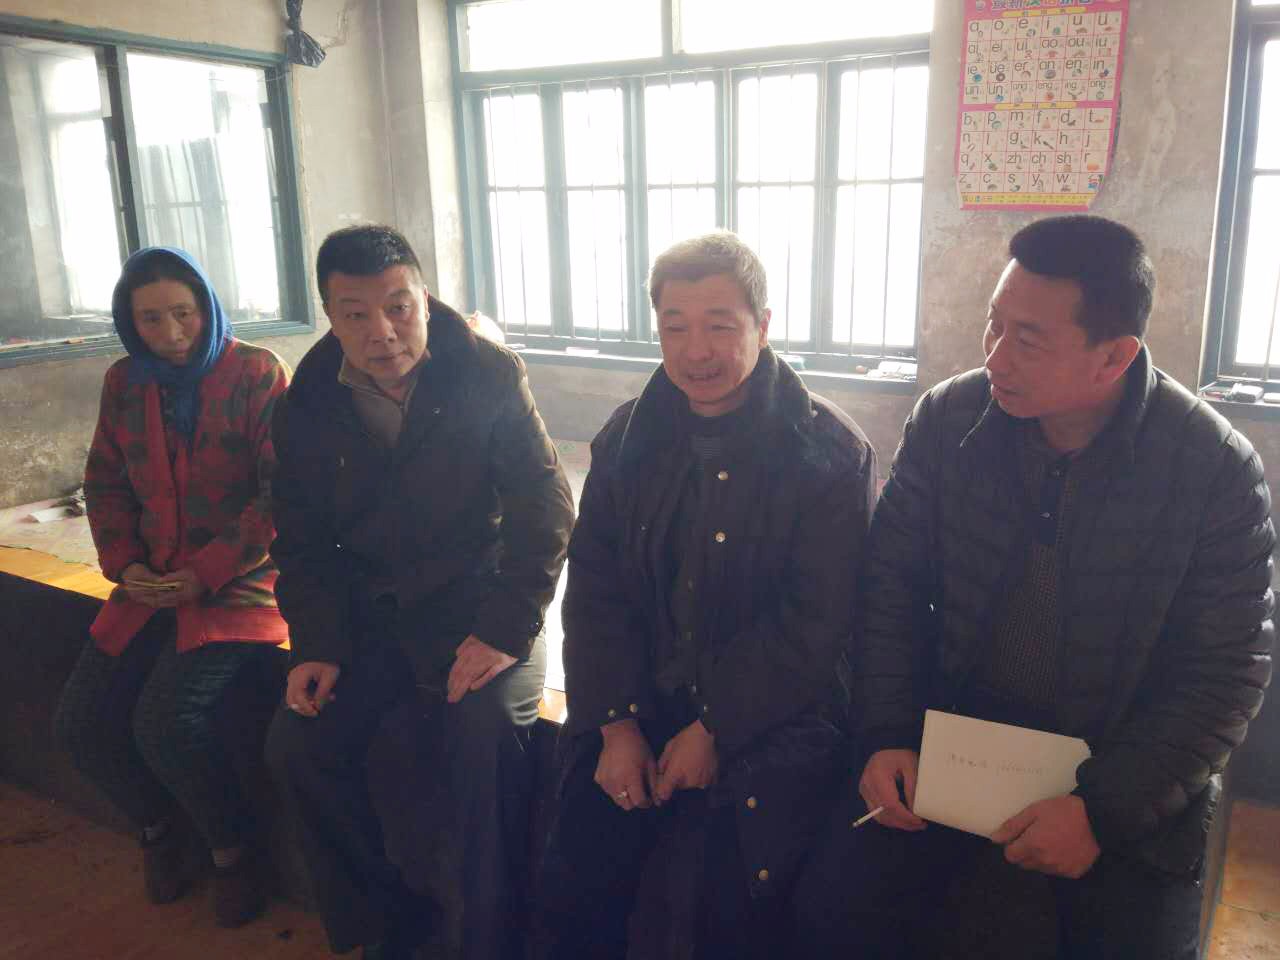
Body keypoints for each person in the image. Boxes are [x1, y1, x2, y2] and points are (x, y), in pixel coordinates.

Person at [796, 215, 1275, 959]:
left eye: (1027, 340)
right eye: (994, 324)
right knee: (831, 913)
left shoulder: (1214, 470)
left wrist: (1102, 813)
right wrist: (886, 732)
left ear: (1114, 356)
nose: (994, 356)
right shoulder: (948, 419)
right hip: (957, 739)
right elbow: (890, 587)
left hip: (1119, 761)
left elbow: (1225, 674)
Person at [537, 232, 878, 959]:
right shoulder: (627, 439)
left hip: (773, 715)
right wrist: (616, 725)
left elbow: (814, 625)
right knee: (577, 880)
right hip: (640, 702)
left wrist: (715, 726)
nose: (697, 351)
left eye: (721, 325)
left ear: (764, 324)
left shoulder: (827, 453)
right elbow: (595, 592)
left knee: (705, 907)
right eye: (676, 328)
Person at [264, 224, 574, 960]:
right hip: (374, 618)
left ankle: (488, 942)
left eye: (398, 307)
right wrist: (318, 645)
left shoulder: (486, 373)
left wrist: (504, 629)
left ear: (424, 299)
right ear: (330, 316)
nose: (382, 332)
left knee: (485, 740)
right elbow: (302, 542)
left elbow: (546, 509)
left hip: (484, 607)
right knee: (298, 746)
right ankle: (385, 930)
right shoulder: (308, 401)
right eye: (356, 314)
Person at [55, 246, 291, 928]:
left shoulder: (257, 373)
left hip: (242, 585)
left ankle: (232, 852)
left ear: (207, 307)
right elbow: (104, 482)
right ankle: (158, 829)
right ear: (129, 323)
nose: (173, 333)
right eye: (151, 319)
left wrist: (204, 573)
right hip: (149, 582)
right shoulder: (126, 382)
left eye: (184, 313)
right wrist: (127, 565)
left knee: (165, 724)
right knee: (79, 725)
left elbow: (281, 496)